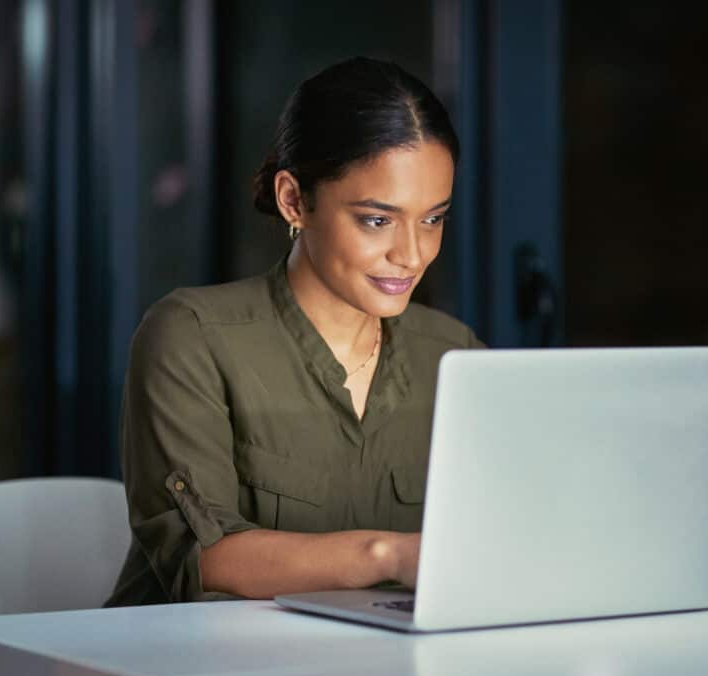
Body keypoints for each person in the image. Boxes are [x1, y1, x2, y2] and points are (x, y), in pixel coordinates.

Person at [106, 57, 484, 606]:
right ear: (293, 200)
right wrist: (390, 556)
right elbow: (205, 558)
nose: (412, 254)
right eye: (377, 220)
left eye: (433, 219)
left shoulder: (455, 355)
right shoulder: (192, 336)